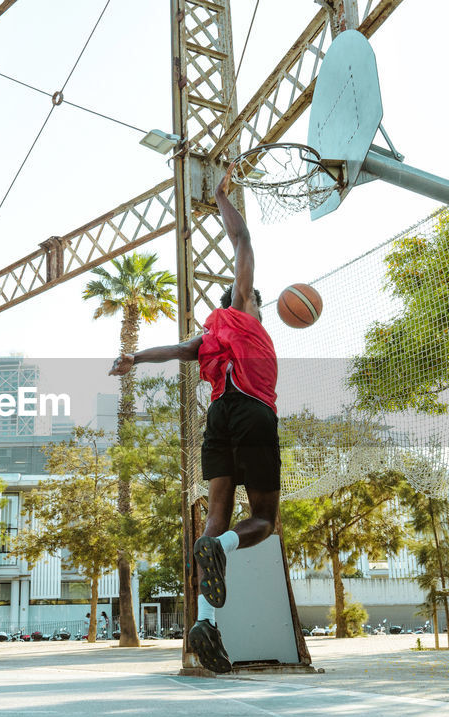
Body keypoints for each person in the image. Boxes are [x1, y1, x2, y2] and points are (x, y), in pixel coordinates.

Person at [109, 165, 280, 674]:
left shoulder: (208, 337)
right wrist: (223, 196)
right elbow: (241, 238)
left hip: (218, 418)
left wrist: (133, 359)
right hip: (252, 411)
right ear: (243, 300)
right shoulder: (245, 312)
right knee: (265, 521)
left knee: (216, 515)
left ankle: (208, 624)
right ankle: (220, 546)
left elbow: (176, 351)